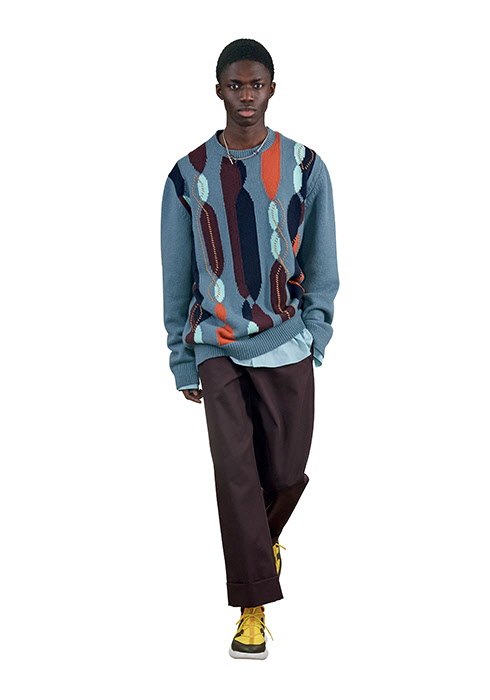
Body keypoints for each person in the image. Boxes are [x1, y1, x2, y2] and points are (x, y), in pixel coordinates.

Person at [160, 38, 339, 660]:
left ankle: (261, 547)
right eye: (235, 86)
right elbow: (176, 273)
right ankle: (252, 610)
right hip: (215, 345)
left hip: (286, 340)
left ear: (271, 90)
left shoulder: (305, 166)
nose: (245, 95)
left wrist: (315, 332)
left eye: (255, 85)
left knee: (285, 473)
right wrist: (182, 357)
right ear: (218, 91)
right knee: (236, 477)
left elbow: (322, 260)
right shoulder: (188, 175)